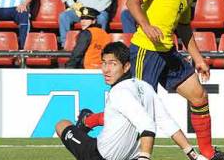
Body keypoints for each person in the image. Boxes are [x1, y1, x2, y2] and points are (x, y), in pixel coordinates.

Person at [126, 0, 224, 160]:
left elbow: (184, 28)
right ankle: (89, 121)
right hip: (145, 50)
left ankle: (208, 154)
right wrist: (146, 26)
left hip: (167, 53)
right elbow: (132, 1)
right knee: (137, 109)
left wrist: (198, 59)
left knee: (199, 96)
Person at [56, 42, 207, 160]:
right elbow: (167, 123)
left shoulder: (119, 92)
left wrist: (144, 157)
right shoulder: (146, 87)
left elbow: (148, 126)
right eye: (104, 63)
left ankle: (86, 121)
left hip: (99, 155)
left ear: (127, 66)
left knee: (61, 124)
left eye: (112, 64)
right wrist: (193, 155)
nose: (106, 70)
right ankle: (87, 121)